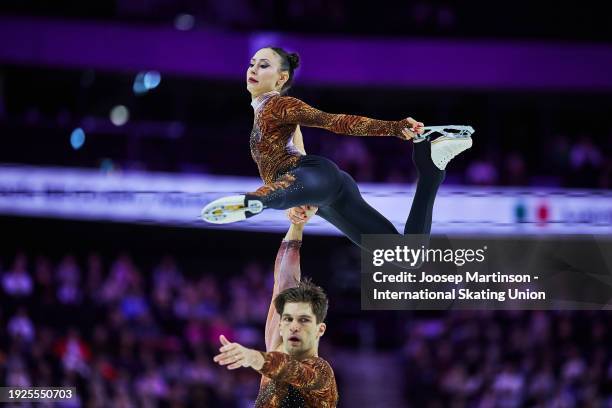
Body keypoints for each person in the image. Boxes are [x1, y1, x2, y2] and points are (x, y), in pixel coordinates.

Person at [202, 46, 472, 251]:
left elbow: (333, 122)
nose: (253, 69)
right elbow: (297, 149)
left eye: (263, 66)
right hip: (322, 192)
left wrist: (393, 127)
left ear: (281, 78)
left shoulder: (279, 105)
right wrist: (300, 202)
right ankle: (431, 169)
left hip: (316, 177)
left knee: (275, 194)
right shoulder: (265, 111)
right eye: (252, 64)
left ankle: (256, 201)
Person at [213, 206, 338, 407]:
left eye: (304, 320)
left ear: (319, 329)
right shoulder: (277, 348)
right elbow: (284, 282)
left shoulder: (321, 373)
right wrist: (297, 224)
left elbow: (290, 370)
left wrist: (252, 357)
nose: (294, 326)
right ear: (281, 325)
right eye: (288, 319)